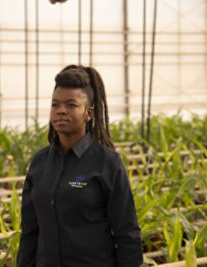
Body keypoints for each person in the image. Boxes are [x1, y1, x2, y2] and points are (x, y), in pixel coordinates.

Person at [17, 65, 143, 267]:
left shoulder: (107, 163)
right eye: (55, 105)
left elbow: (127, 233)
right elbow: (30, 231)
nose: (61, 111)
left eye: (71, 105)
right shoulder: (39, 163)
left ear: (88, 113)